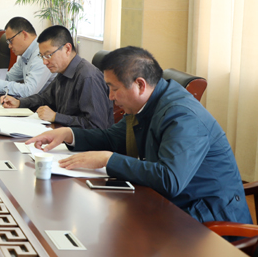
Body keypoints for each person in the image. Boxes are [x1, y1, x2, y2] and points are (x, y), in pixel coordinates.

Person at [27, 46, 252, 225]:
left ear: (140, 85)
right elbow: (112, 138)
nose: (110, 97)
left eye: (114, 88)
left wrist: (108, 160)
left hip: (208, 220)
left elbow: (170, 179)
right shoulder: (147, 103)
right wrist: (68, 134)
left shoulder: (183, 116)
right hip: (172, 206)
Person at [1, 25, 113, 129]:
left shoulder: (88, 77)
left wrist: (56, 117)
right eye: (42, 56)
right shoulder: (63, 71)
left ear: (67, 49)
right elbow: (44, 98)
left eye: (48, 55)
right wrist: (19, 102)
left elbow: (96, 125)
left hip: (84, 142)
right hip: (63, 135)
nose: (45, 62)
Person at [0, 17, 52, 98]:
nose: (9, 46)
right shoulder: (26, 54)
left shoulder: (41, 54)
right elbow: (9, 77)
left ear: (24, 35)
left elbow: (29, 91)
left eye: (11, 41)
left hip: (45, 104)